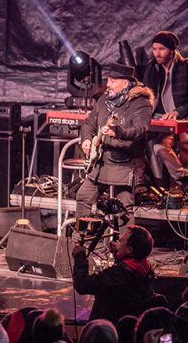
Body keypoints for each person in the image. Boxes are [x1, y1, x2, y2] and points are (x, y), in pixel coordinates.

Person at [75, 63, 154, 222]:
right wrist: (86, 140)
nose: (108, 84)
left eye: (112, 80)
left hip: (125, 164)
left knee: (123, 209)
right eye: (108, 80)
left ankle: (127, 246)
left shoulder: (140, 103)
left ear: (125, 82)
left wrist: (119, 132)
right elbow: (89, 124)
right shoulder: (103, 101)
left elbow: (140, 129)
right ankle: (83, 243)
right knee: (83, 197)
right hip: (100, 163)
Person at [72, 225, 162, 324]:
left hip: (107, 330)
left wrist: (79, 256)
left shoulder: (117, 275)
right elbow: (128, 269)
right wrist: (119, 253)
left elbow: (82, 284)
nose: (118, 242)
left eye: (121, 241)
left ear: (129, 250)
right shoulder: (146, 270)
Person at [142, 31, 188, 186]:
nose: (157, 53)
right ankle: (182, 179)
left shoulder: (185, 67)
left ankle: (182, 179)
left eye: (161, 49)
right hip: (161, 120)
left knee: (181, 144)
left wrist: (178, 112)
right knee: (153, 146)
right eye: (154, 49)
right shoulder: (152, 67)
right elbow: (146, 94)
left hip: (183, 119)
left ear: (172, 50)